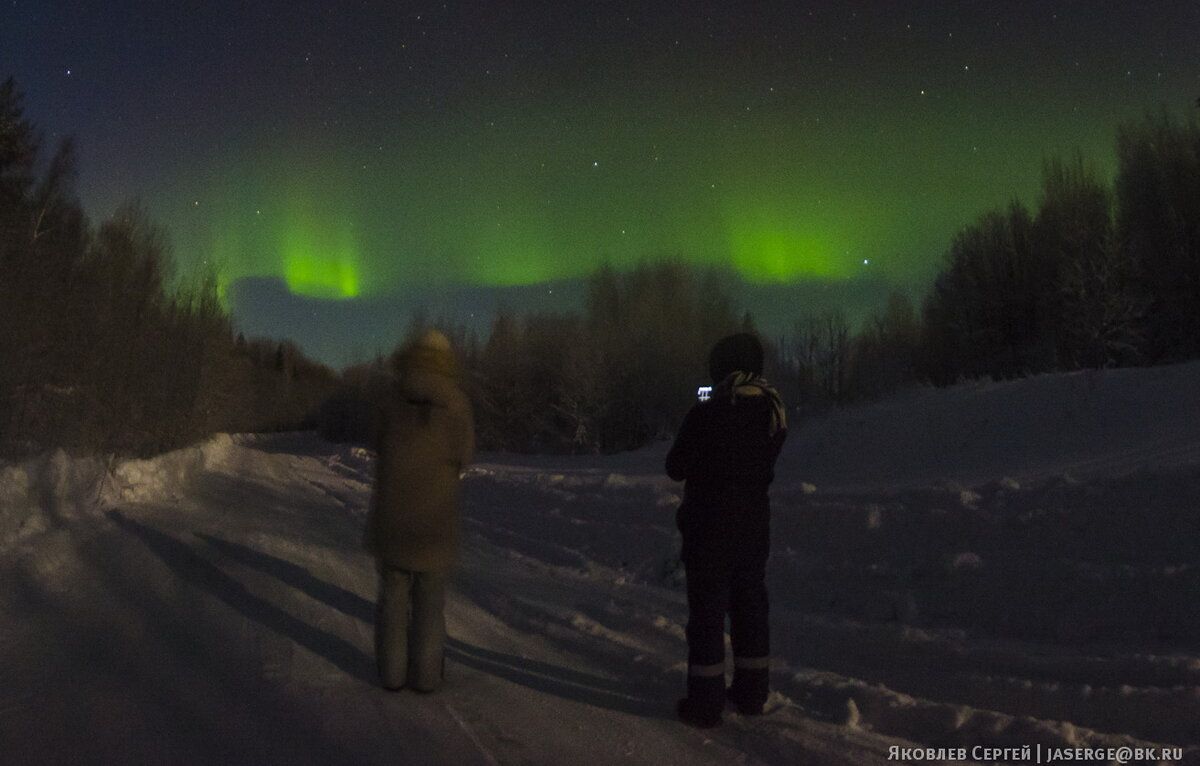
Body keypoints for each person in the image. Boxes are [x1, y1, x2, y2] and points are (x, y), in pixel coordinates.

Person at [665, 332, 788, 728]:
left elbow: (675, 466)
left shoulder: (708, 412)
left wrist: (701, 413)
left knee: (707, 615)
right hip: (754, 528)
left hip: (708, 528)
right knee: (750, 607)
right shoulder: (773, 411)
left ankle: (705, 704)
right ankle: (752, 694)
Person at [364, 329, 475, 692]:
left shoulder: (389, 399)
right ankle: (426, 679)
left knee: (393, 603)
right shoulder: (457, 404)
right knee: (429, 605)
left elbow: (374, 443)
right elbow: (465, 457)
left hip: (393, 520)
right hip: (435, 523)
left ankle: (391, 677)